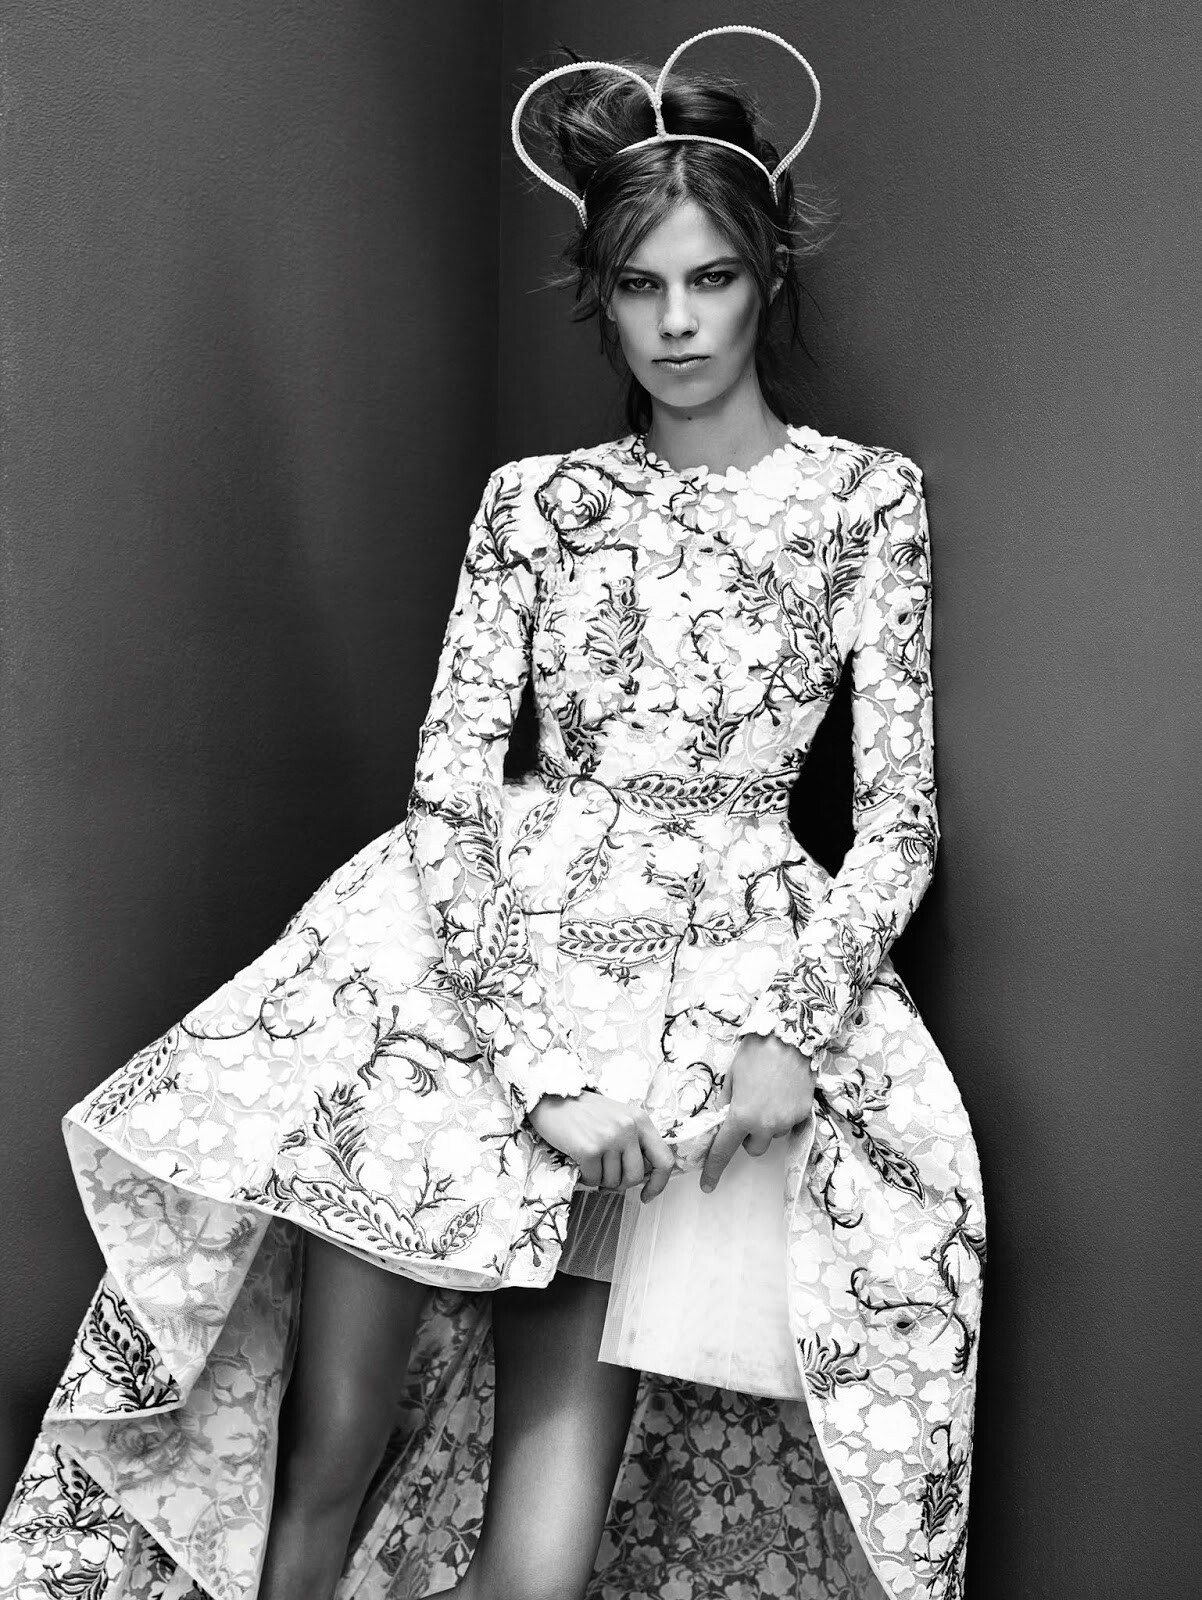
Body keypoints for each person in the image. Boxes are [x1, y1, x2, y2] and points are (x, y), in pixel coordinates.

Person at [0, 25, 985, 1600]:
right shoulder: (537, 504)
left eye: (710, 279)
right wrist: (533, 1070)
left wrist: (790, 1030)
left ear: (766, 279)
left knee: (550, 1520)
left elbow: (899, 821)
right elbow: (451, 787)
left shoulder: (864, 500)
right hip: (463, 975)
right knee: (332, 1445)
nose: (676, 322)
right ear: (600, 295)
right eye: (640, 286)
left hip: (706, 984)